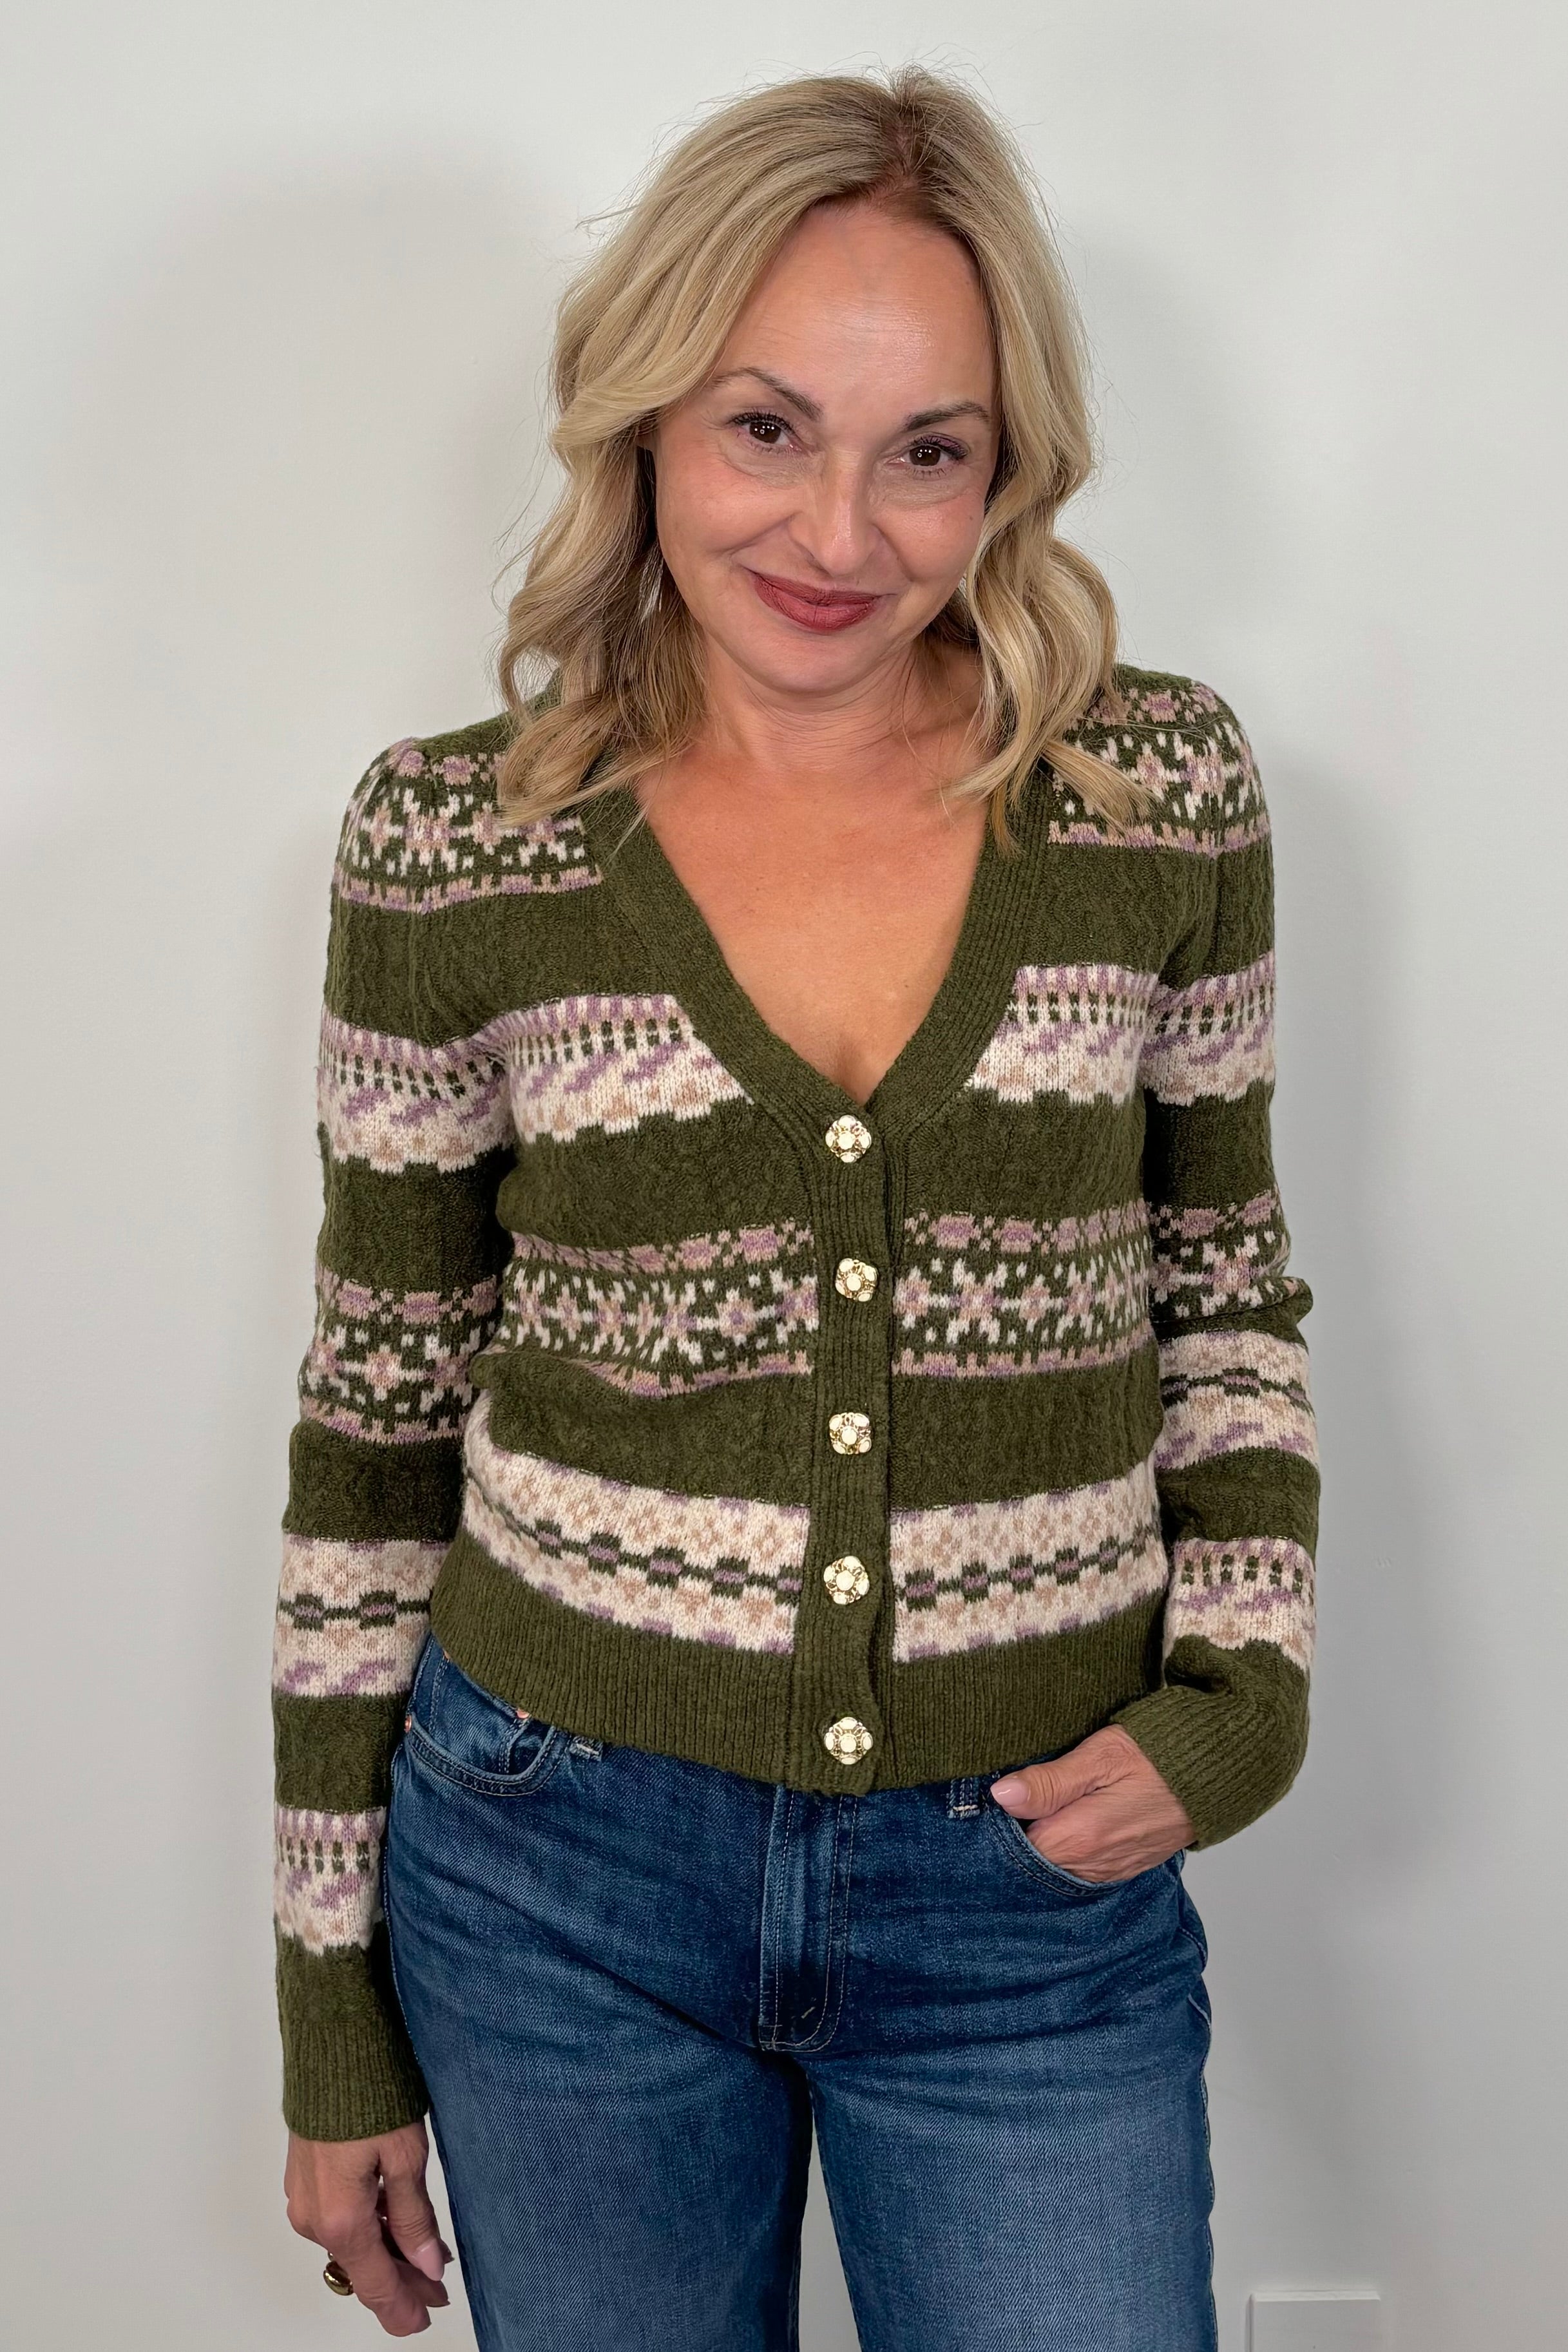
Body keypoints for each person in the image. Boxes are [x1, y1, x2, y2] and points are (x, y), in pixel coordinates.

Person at [275, 64, 1318, 2352]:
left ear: (1003, 469)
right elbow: (373, 1432)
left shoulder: (1153, 795)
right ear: (642, 418)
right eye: (765, 427)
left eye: (924, 449)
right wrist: (330, 2007)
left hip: (1031, 1885)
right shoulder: (458, 847)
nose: (839, 526)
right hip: (552, 1869)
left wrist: (1239, 1695)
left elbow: (1220, 1291)